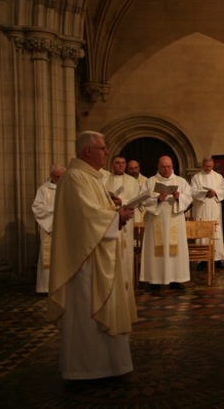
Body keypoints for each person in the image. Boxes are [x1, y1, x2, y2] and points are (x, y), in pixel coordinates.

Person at [46, 131, 136, 380]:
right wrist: (118, 216)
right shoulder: (75, 178)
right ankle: (85, 369)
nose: (106, 153)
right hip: (85, 263)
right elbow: (86, 218)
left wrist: (113, 208)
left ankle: (109, 365)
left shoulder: (88, 177)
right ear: (88, 151)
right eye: (102, 148)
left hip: (97, 256)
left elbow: (94, 212)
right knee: (86, 312)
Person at [140, 156, 192, 291]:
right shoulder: (150, 182)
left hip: (175, 220)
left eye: (169, 166)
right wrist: (157, 199)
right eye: (163, 166)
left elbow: (189, 198)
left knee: (175, 249)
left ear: (172, 166)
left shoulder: (180, 181)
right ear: (158, 166)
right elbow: (143, 200)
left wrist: (178, 197)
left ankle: (176, 280)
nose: (166, 169)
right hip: (155, 222)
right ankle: (154, 280)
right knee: (156, 249)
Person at [104, 155, 141, 288]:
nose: (120, 165)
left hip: (126, 220)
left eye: (123, 163)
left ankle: (126, 282)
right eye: (117, 163)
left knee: (125, 251)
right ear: (112, 165)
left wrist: (122, 202)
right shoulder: (103, 180)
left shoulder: (132, 181)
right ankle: (110, 283)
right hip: (109, 219)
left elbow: (136, 199)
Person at [32, 164, 66, 294]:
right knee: (48, 256)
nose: (59, 179)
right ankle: (46, 287)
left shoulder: (69, 187)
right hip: (49, 228)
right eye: (57, 176)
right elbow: (37, 208)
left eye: (62, 176)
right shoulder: (43, 189)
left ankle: (64, 285)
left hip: (66, 228)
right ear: (51, 176)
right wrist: (55, 212)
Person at [191, 156, 224, 269]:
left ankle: (217, 259)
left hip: (214, 208)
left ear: (213, 165)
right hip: (202, 209)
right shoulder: (196, 177)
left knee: (216, 232)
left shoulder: (218, 177)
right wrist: (205, 193)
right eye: (206, 166)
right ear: (202, 165)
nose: (208, 168)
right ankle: (202, 259)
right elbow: (192, 191)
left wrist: (215, 192)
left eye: (210, 166)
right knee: (202, 233)